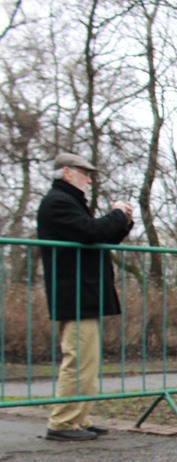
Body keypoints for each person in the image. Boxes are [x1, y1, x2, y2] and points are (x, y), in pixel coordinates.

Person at [37, 153, 134, 441]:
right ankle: (63, 422)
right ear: (67, 172)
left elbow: (100, 236)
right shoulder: (58, 202)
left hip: (82, 293)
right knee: (78, 359)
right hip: (74, 294)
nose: (89, 180)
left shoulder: (69, 202)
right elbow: (91, 231)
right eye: (85, 173)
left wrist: (123, 221)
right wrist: (117, 213)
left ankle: (79, 418)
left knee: (87, 361)